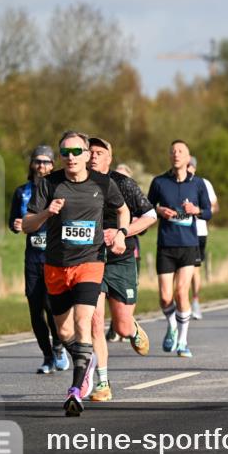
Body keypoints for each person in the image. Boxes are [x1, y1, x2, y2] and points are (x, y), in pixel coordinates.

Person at [24, 131, 129, 416]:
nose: (71, 157)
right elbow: (26, 225)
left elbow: (123, 211)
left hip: (90, 262)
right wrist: (47, 213)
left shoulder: (102, 183)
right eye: (65, 152)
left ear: (86, 154)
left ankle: (75, 391)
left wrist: (121, 234)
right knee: (65, 330)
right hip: (56, 266)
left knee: (85, 321)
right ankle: (86, 361)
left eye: (76, 151)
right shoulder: (49, 184)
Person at [86, 137, 156, 402]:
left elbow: (150, 215)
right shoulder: (77, 184)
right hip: (91, 260)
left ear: (109, 158)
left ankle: (133, 328)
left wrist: (122, 233)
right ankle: (102, 384)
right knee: (94, 321)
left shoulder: (123, 183)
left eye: (99, 152)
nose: (93, 156)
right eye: (90, 151)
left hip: (121, 258)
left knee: (123, 327)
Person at [147, 141, 212, 358]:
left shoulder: (198, 184)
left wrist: (196, 210)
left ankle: (183, 341)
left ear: (188, 157)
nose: (176, 154)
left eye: (180, 151)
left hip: (188, 245)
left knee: (181, 292)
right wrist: (159, 211)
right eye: (173, 151)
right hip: (166, 245)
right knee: (165, 297)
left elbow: (208, 213)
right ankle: (172, 324)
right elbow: (146, 208)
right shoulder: (159, 182)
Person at [9, 146, 64, 374]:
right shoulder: (22, 191)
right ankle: (47, 356)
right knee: (35, 308)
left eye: (46, 162)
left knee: (52, 308)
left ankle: (59, 346)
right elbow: (13, 221)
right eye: (38, 162)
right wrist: (15, 225)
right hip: (32, 257)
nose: (42, 166)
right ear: (32, 164)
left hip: (52, 256)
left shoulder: (58, 189)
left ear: (52, 165)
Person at [187, 155, 218, 319]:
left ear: (195, 167)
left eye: (190, 166)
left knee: (195, 269)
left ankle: (195, 302)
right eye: (186, 165)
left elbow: (214, 207)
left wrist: (197, 210)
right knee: (183, 270)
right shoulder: (175, 182)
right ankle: (183, 303)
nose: (188, 168)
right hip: (180, 231)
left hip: (199, 231)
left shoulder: (203, 183)